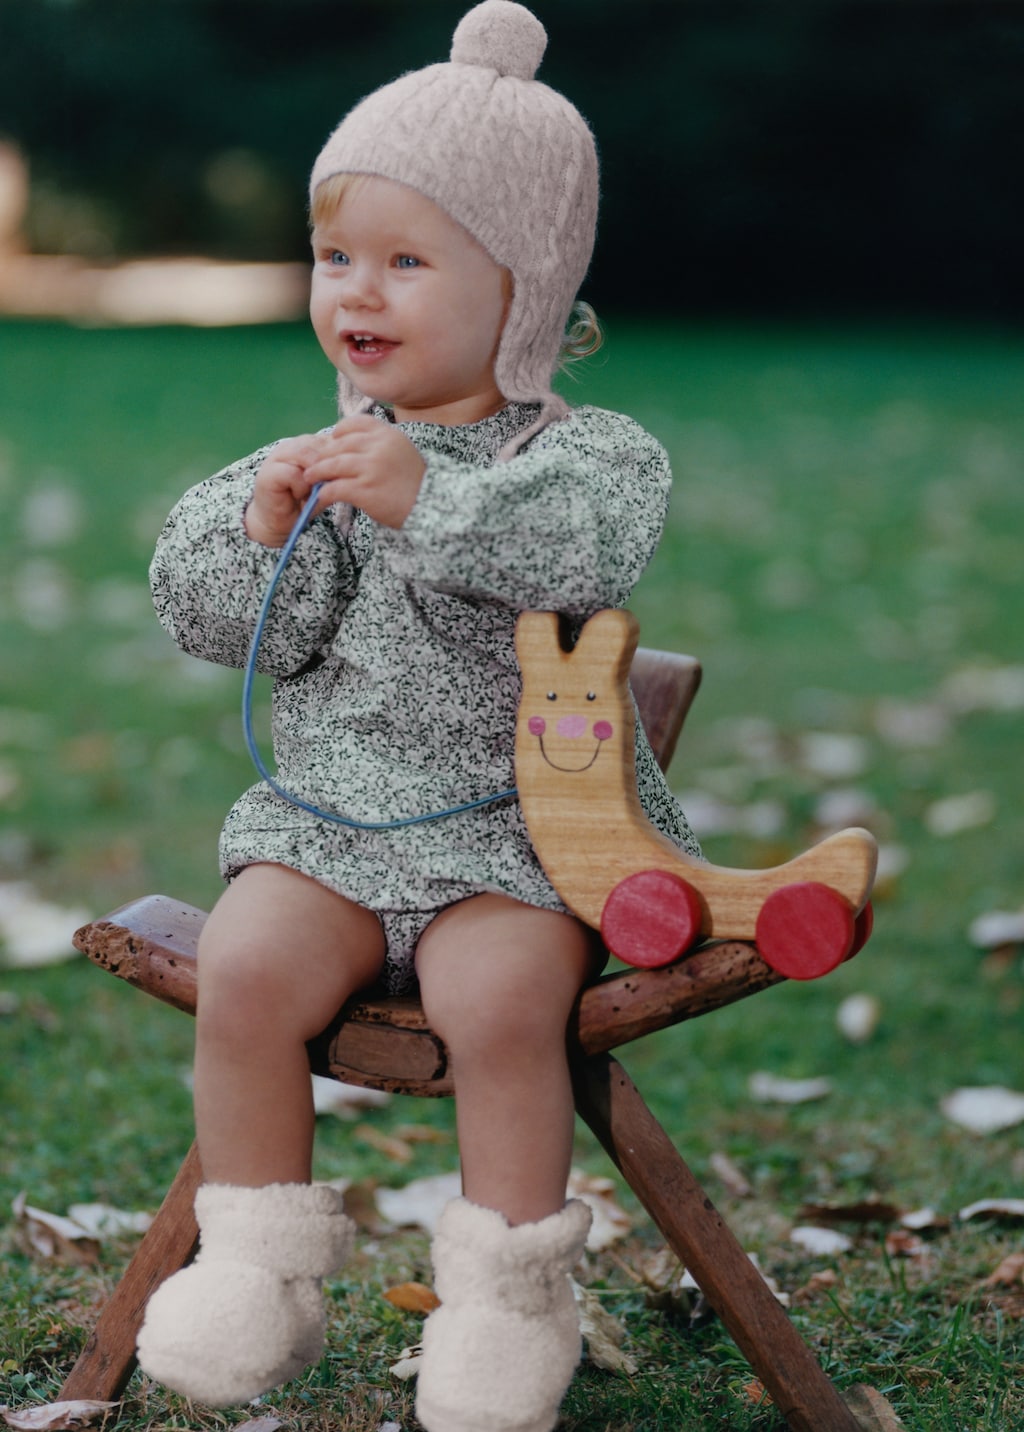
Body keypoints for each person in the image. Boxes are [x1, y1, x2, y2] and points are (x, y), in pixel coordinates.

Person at [140, 4, 699, 1429]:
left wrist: (429, 499)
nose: (357, 292)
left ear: (519, 288)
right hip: (330, 830)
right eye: (337, 257)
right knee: (251, 972)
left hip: (514, 835)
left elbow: (579, 560)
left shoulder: (586, 458)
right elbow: (214, 625)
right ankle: (260, 1262)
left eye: (406, 259)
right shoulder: (322, 457)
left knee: (504, 1001)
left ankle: (508, 1298)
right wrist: (269, 530)